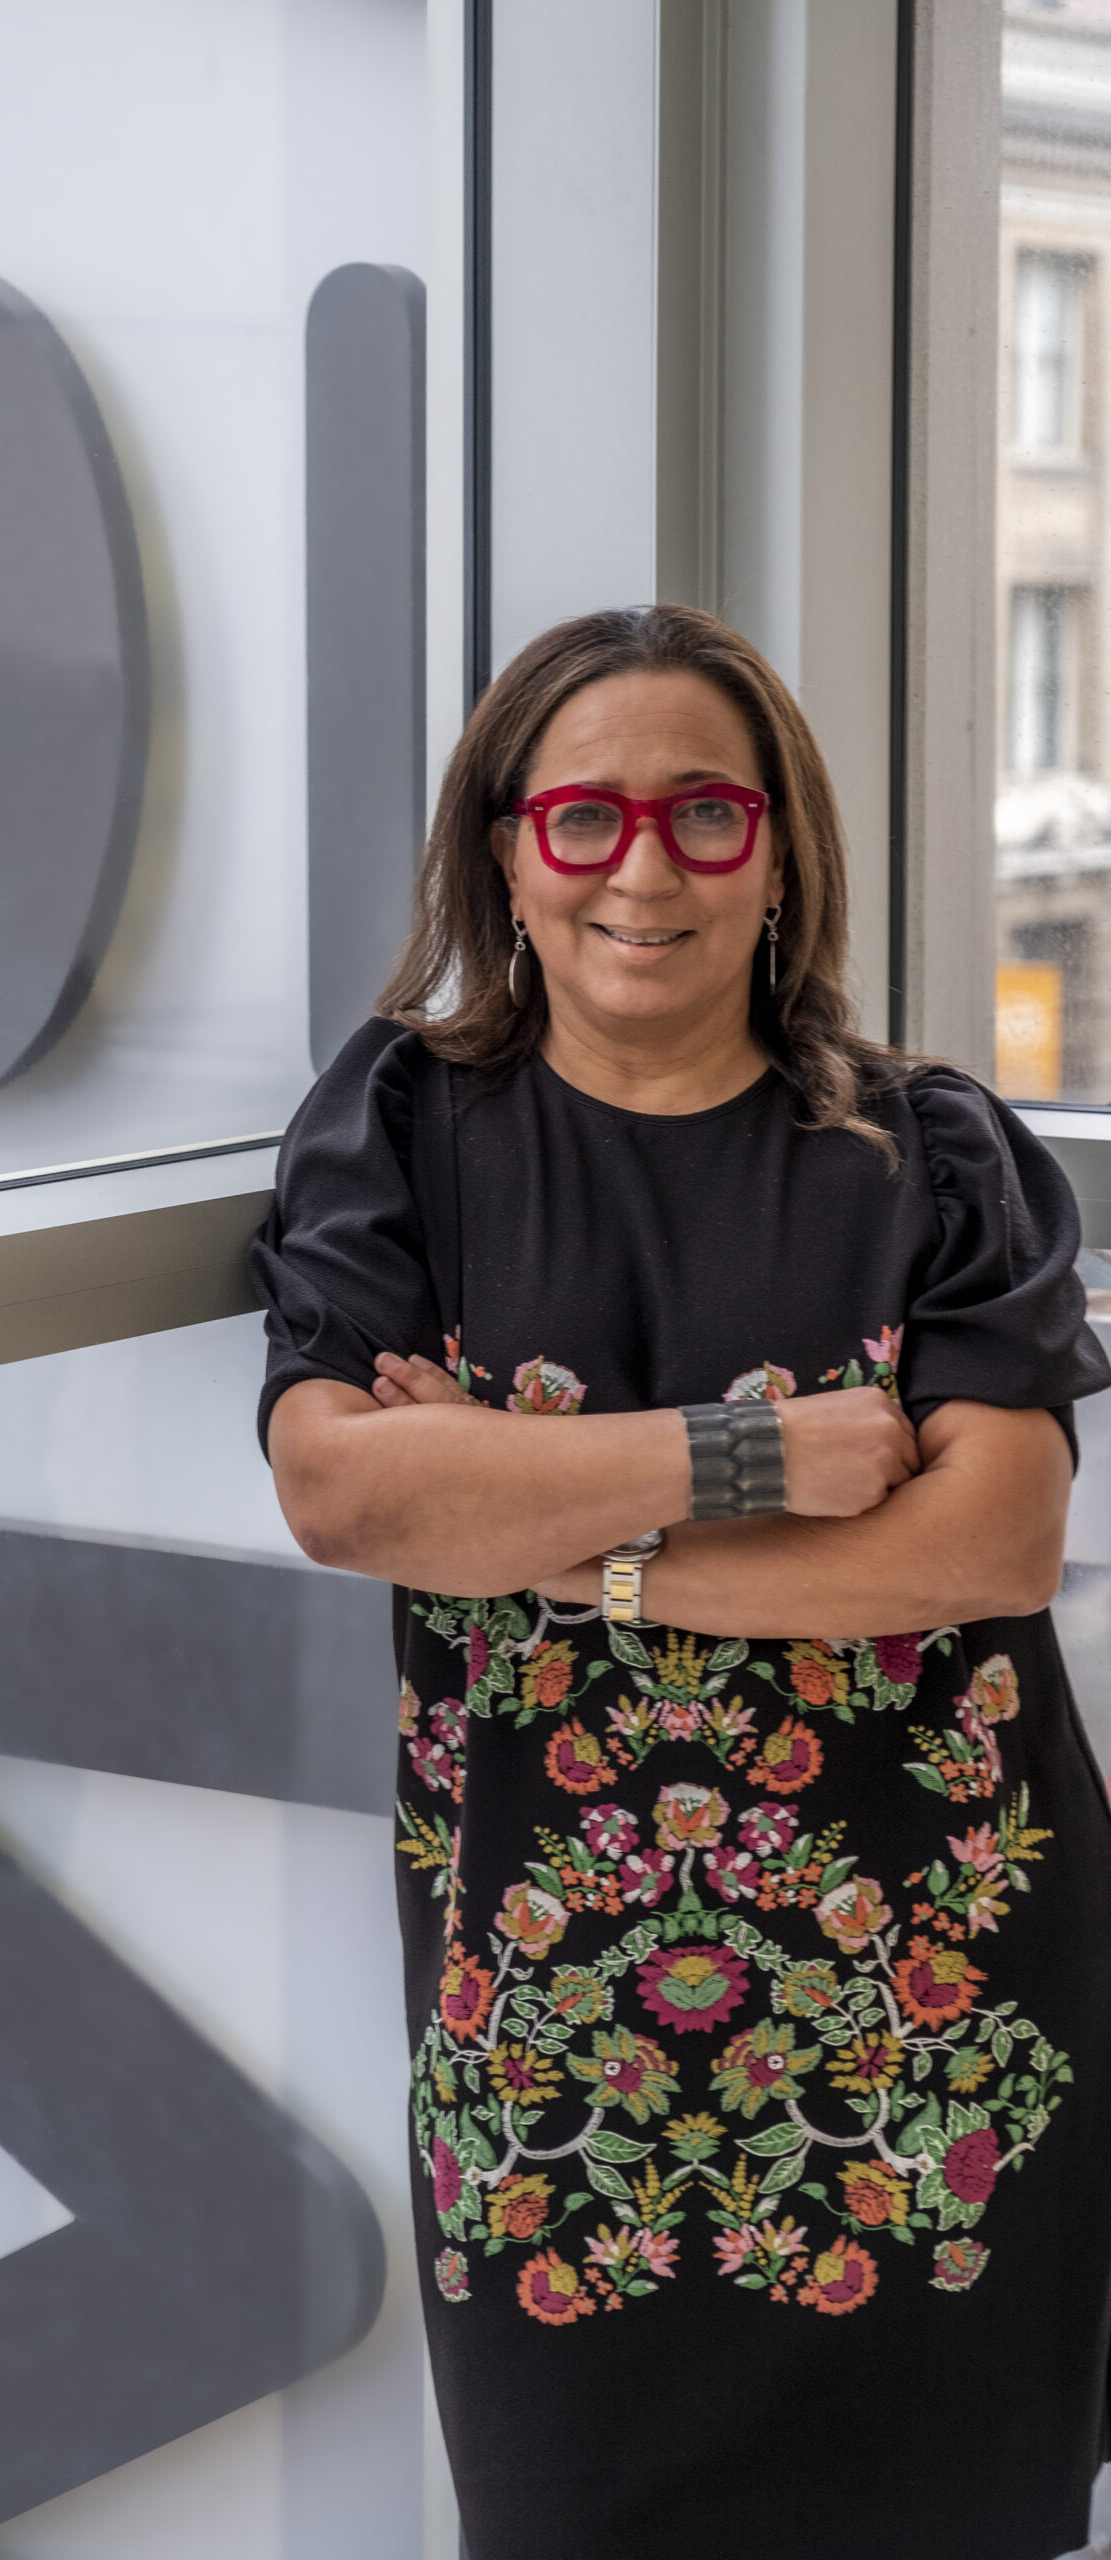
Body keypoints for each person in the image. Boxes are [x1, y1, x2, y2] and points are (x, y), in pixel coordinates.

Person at [252, 605, 1111, 2560]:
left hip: (937, 2022)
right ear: (501, 851)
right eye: (582, 819)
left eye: (702, 814)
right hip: (559, 2061)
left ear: (780, 851)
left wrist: (560, 1536)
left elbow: (984, 1538)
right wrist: (771, 1461)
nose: (640, 869)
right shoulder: (401, 1126)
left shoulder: (933, 1154)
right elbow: (337, 1484)